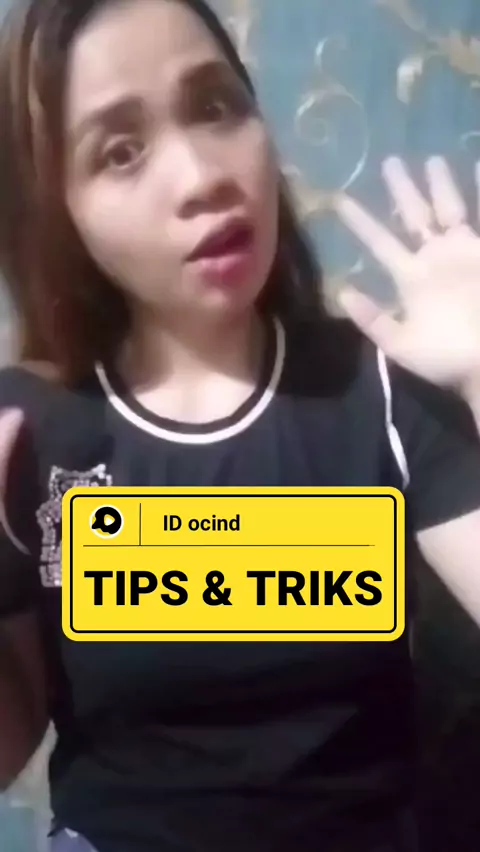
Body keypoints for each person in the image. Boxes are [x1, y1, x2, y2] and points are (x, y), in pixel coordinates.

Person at [1, 1, 480, 850]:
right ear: (60, 209)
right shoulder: (28, 431)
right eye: (120, 152)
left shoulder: (380, 384)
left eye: (216, 105)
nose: (201, 177)